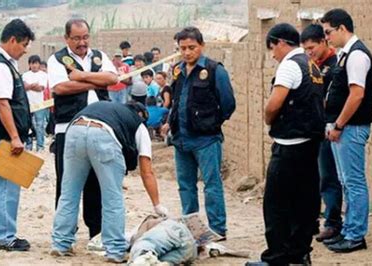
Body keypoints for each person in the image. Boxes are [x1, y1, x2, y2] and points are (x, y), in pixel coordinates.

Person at [246, 23, 325, 266]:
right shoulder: (311, 65)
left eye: (272, 48)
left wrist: (268, 118)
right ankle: (299, 253)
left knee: (276, 204)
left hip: (289, 145)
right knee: (303, 201)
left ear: (281, 42)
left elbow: (274, 103)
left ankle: (276, 257)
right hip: (309, 143)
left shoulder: (290, 65)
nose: (272, 54)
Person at [51, 101, 169, 262]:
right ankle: (114, 249)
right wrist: (157, 204)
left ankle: (60, 244)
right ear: (141, 115)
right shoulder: (138, 125)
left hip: (74, 129)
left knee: (69, 194)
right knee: (112, 198)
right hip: (103, 135)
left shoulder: (110, 109)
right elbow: (147, 171)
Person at [161, 26, 236, 239]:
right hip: (181, 139)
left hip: (206, 140)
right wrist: (170, 122)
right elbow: (176, 100)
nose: (186, 52)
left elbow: (228, 103)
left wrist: (211, 122)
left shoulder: (214, 70)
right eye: (182, 48)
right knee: (185, 186)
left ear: (201, 46)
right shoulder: (177, 70)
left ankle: (217, 229)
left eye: (191, 47)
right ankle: (191, 228)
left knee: (212, 185)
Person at [47, 18, 118, 239]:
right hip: (67, 129)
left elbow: (113, 78)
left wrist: (81, 76)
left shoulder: (99, 56)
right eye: (76, 38)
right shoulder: (56, 59)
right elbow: (61, 87)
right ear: (66, 38)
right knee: (66, 185)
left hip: (98, 127)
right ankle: (65, 234)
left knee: (96, 185)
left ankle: (95, 232)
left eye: (85, 37)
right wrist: (96, 82)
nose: (82, 42)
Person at [321, 9, 372, 253]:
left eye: (328, 32)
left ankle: (355, 234)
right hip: (343, 128)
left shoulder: (356, 55)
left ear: (342, 28)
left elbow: (356, 94)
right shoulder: (345, 55)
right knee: (346, 182)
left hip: (350, 128)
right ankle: (349, 230)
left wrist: (339, 124)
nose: (327, 38)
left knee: (353, 182)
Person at [0, 19, 35, 251]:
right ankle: (3, 236)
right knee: (5, 187)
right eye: (23, 45)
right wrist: (14, 136)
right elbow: (2, 103)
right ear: (12, 40)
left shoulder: (1, 63)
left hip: (3, 135)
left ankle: (0, 234)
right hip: (4, 136)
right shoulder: (0, 65)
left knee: (0, 186)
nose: (24, 50)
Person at [300, 24, 343, 243]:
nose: (309, 52)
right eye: (306, 49)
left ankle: (333, 222)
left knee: (329, 177)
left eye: (312, 47)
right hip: (312, 129)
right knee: (312, 178)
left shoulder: (334, 66)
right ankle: (313, 221)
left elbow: (330, 99)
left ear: (324, 42)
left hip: (328, 128)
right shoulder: (310, 66)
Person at [22, 55, 48, 151]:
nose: (34, 65)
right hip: (27, 105)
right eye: (32, 63)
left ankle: (40, 146)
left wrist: (30, 86)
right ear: (29, 64)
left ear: (39, 64)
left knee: (40, 125)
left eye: (36, 63)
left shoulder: (44, 75)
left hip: (39, 104)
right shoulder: (25, 75)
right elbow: (24, 87)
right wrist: (33, 85)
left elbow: (40, 88)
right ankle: (28, 145)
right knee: (27, 126)